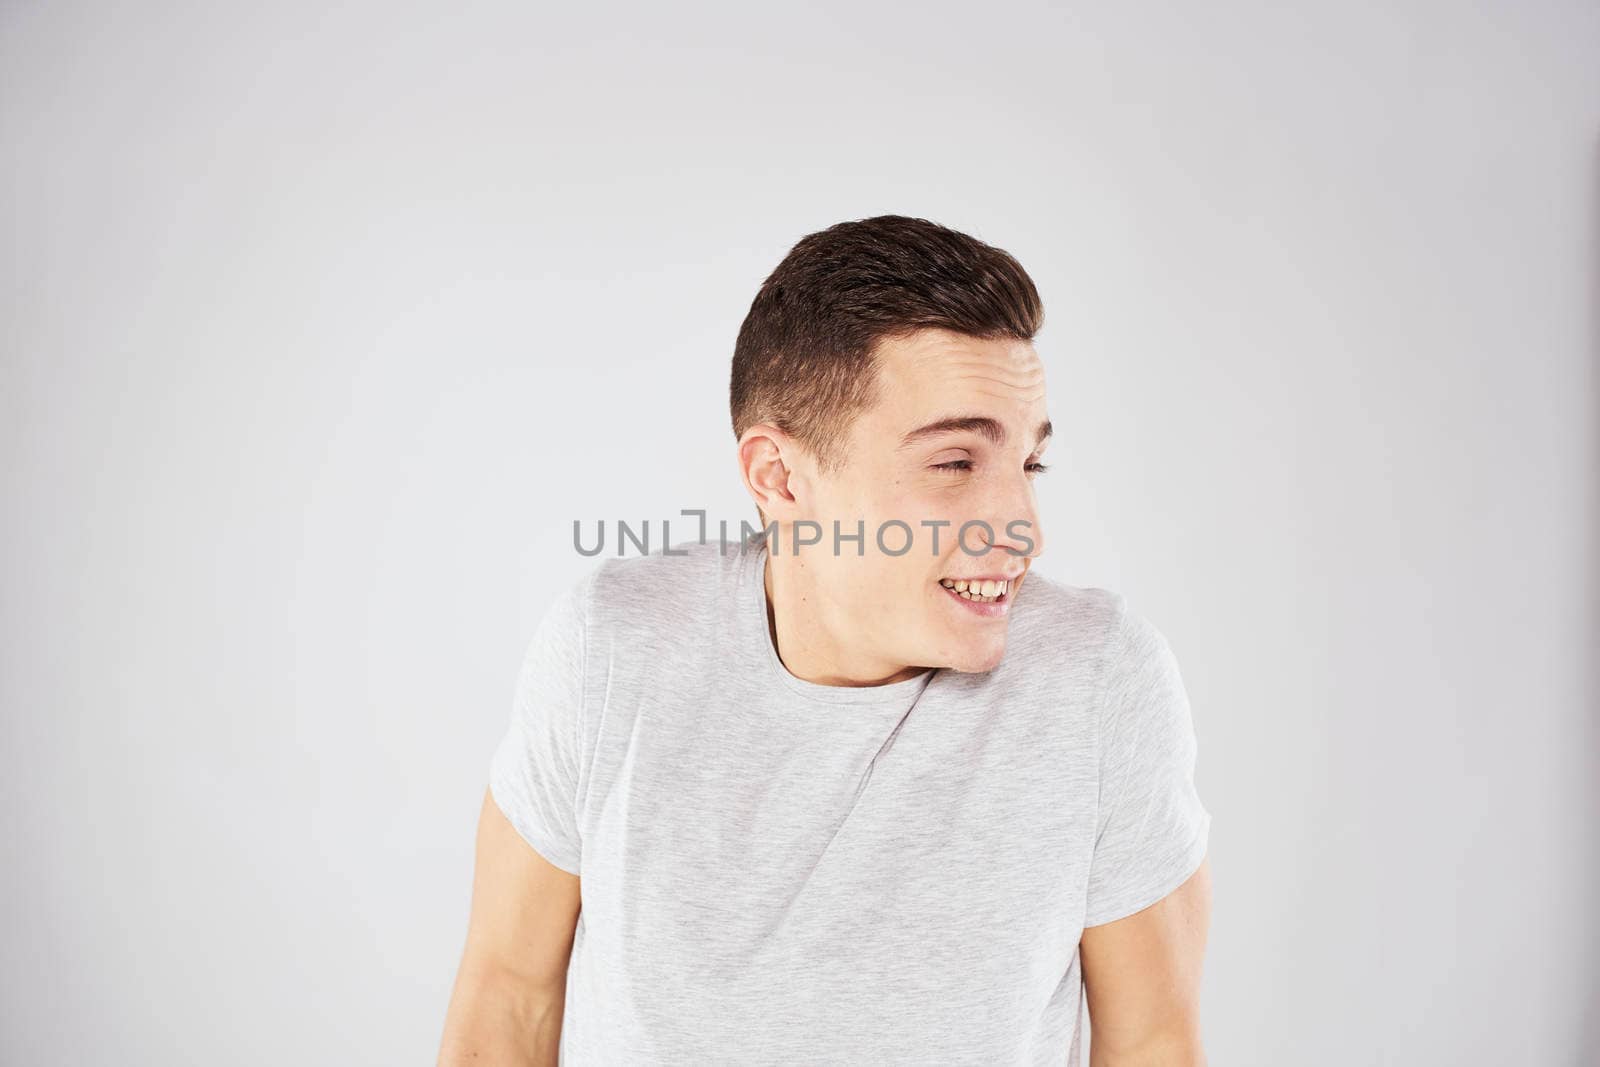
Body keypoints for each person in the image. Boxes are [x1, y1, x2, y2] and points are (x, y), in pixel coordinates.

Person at [438, 215, 1214, 1065]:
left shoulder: (1098, 681)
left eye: (1028, 465)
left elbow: (1152, 1041)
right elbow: (508, 997)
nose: (1021, 529)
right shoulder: (612, 649)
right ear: (779, 477)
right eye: (955, 463)